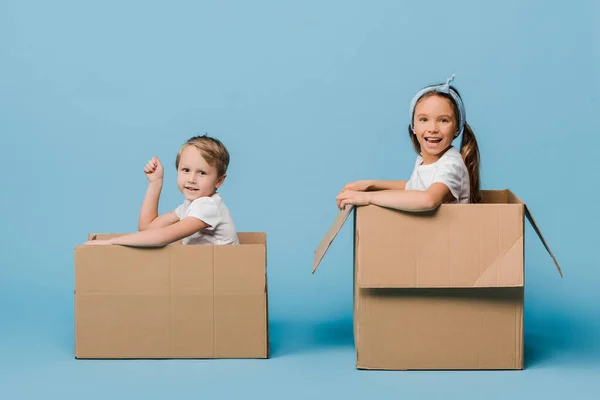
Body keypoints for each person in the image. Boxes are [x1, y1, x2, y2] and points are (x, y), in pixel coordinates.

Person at [336, 74, 481, 211]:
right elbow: (412, 188)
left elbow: (428, 199)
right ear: (413, 126)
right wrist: (370, 185)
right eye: (424, 119)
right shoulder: (423, 161)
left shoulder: (451, 164)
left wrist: (368, 197)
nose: (432, 129)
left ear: (457, 128)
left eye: (443, 120)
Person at [86, 135, 239, 246]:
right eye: (186, 170)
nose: (191, 179)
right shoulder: (189, 206)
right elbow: (147, 227)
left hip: (221, 280)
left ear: (219, 181)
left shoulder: (208, 206)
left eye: (202, 173)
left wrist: (113, 242)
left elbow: (163, 236)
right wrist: (155, 182)